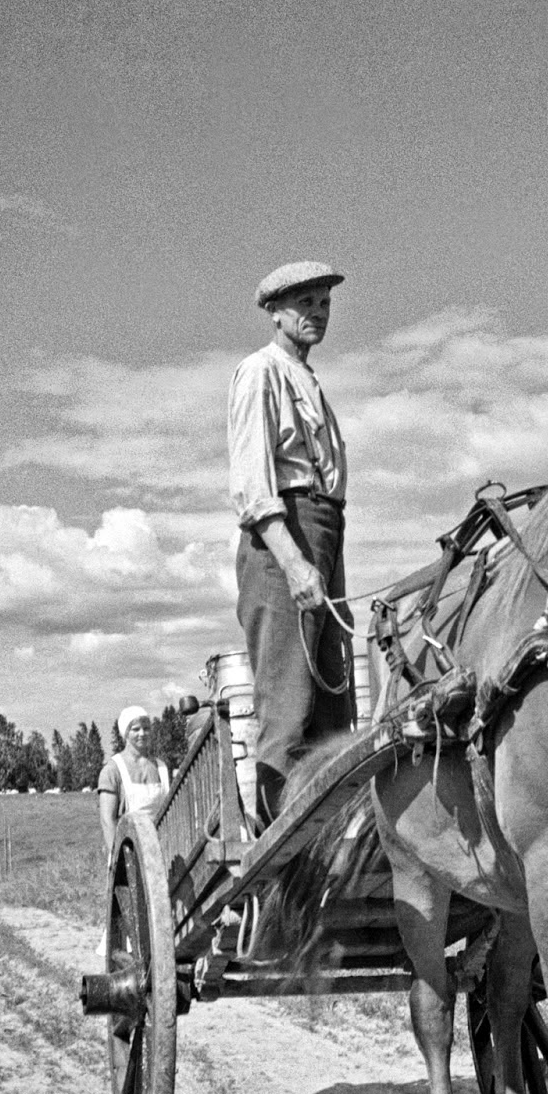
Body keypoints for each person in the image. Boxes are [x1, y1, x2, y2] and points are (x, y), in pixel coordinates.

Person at [228, 260, 355, 827]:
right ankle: (277, 845)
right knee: (288, 701)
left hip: (327, 526)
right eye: (305, 303)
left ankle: (335, 835)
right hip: (284, 534)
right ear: (275, 312)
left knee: (335, 695)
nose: (317, 313)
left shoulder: (311, 381)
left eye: (324, 303)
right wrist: (296, 562)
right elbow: (253, 485)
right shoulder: (260, 372)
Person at [98, 706, 170, 858]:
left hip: (162, 850)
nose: (142, 734)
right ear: (125, 733)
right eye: (136, 729)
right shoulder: (112, 771)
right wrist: (120, 859)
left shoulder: (162, 768)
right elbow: (107, 820)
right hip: (128, 851)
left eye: (146, 728)